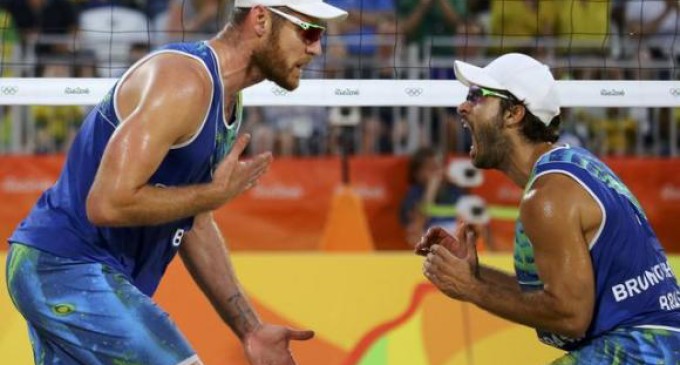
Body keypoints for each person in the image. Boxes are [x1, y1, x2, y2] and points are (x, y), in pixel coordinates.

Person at [5, 1, 347, 365]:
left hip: (81, 271)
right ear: (260, 19)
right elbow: (106, 203)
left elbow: (195, 221)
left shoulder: (226, 100)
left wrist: (250, 328)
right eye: (309, 31)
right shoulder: (182, 81)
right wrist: (212, 194)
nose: (316, 48)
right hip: (65, 265)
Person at [416, 53, 680, 363]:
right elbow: (564, 293)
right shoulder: (570, 166)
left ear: (513, 113)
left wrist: (473, 289)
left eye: (477, 96)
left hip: (645, 347)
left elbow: (570, 316)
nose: (462, 106)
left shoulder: (547, 196)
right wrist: (476, 275)